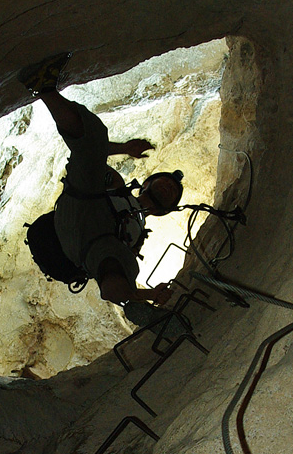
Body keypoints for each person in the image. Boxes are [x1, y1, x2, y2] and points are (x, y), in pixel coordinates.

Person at [30, 75, 184, 317]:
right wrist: (124, 148)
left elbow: (121, 257)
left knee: (123, 264)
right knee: (96, 136)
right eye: (165, 182)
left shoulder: (137, 237)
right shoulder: (116, 183)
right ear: (146, 184)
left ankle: (136, 299)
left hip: (89, 246)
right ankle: (43, 87)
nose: (167, 187)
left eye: (171, 192)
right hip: (79, 214)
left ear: (165, 210)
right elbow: (92, 156)